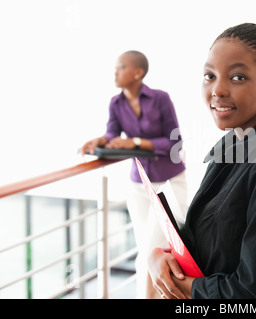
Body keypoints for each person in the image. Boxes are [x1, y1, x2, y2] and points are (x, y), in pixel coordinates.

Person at [147, 23, 256, 299]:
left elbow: (254, 294)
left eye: (238, 77)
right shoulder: (231, 145)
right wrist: (159, 257)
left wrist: (186, 287)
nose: (217, 90)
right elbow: (212, 242)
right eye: (209, 76)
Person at [80, 50, 187, 298]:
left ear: (137, 73)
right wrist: (100, 141)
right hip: (139, 184)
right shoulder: (115, 104)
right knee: (145, 250)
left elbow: (175, 143)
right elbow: (112, 135)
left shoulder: (160, 98)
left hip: (169, 183)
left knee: (153, 251)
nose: (115, 72)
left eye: (121, 67)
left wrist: (135, 142)